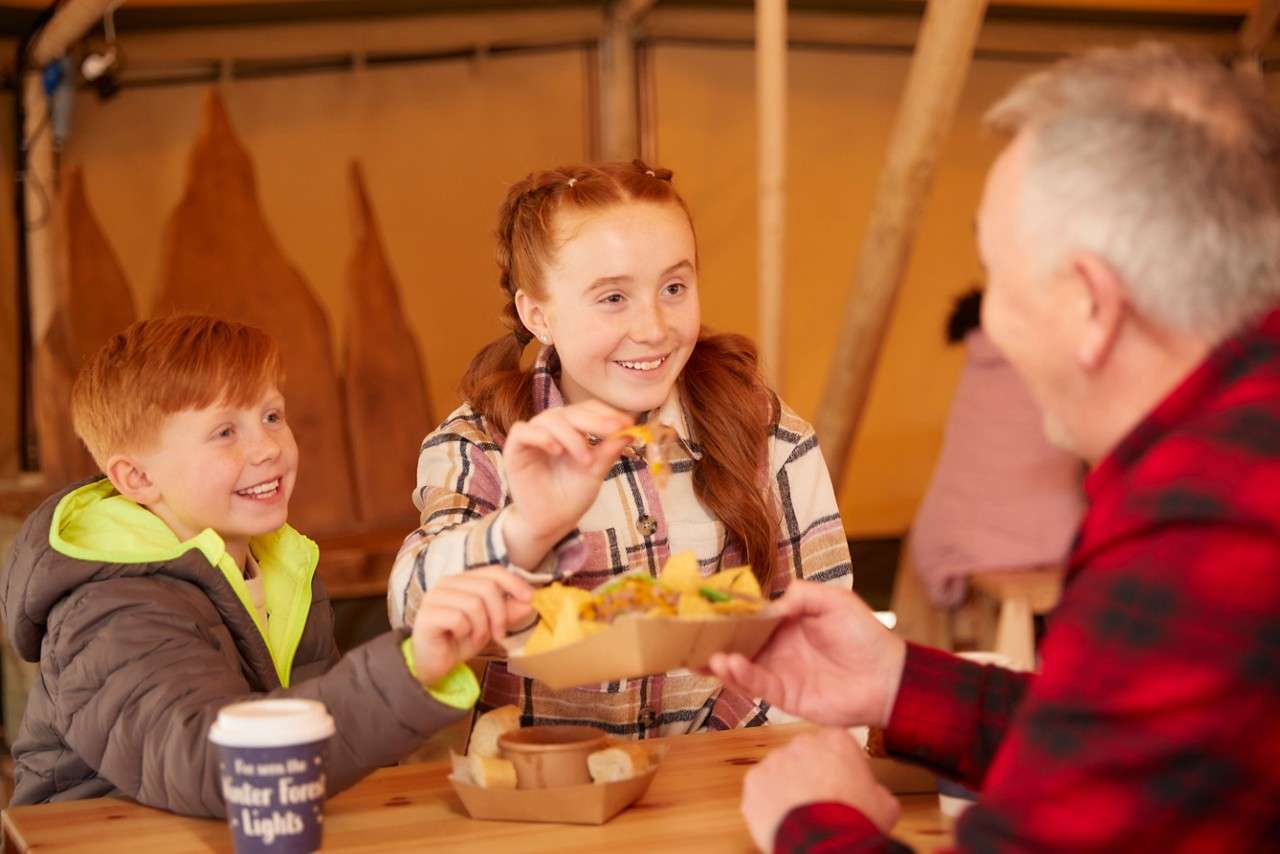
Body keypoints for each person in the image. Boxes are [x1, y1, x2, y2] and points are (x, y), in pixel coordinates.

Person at [709, 43, 1280, 851]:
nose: (994, 327)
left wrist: (815, 821)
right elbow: (1126, 747)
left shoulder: (1206, 522)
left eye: (997, 281)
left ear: (1091, 305)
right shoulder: (1234, 442)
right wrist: (898, 683)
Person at [388, 160, 853, 737]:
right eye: (613, 298)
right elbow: (411, 609)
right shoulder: (482, 444)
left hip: (728, 784)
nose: (654, 327)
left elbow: (820, 636)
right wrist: (527, 529)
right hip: (549, 797)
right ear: (539, 314)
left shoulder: (768, 433)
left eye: (674, 288)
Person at [0, 315, 534, 816]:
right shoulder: (110, 611)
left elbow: (328, 744)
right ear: (137, 478)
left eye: (272, 416)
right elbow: (208, 764)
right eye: (225, 432)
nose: (268, 448)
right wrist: (408, 668)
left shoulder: (282, 566)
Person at [904, 287, 1084, 613]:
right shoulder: (1069, 352)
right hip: (1060, 538)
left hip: (964, 538)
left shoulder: (979, 360)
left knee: (929, 532)